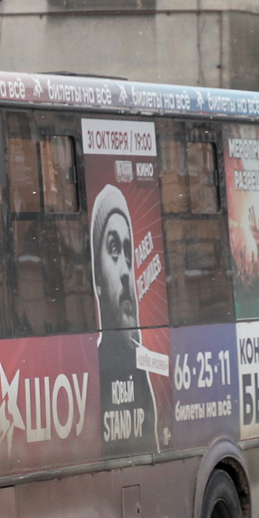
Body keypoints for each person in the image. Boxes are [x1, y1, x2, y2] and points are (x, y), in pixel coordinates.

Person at [91, 184, 158, 455]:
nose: (126, 271)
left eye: (128, 254)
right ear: (97, 280)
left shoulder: (140, 366)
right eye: (114, 250)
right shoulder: (93, 369)